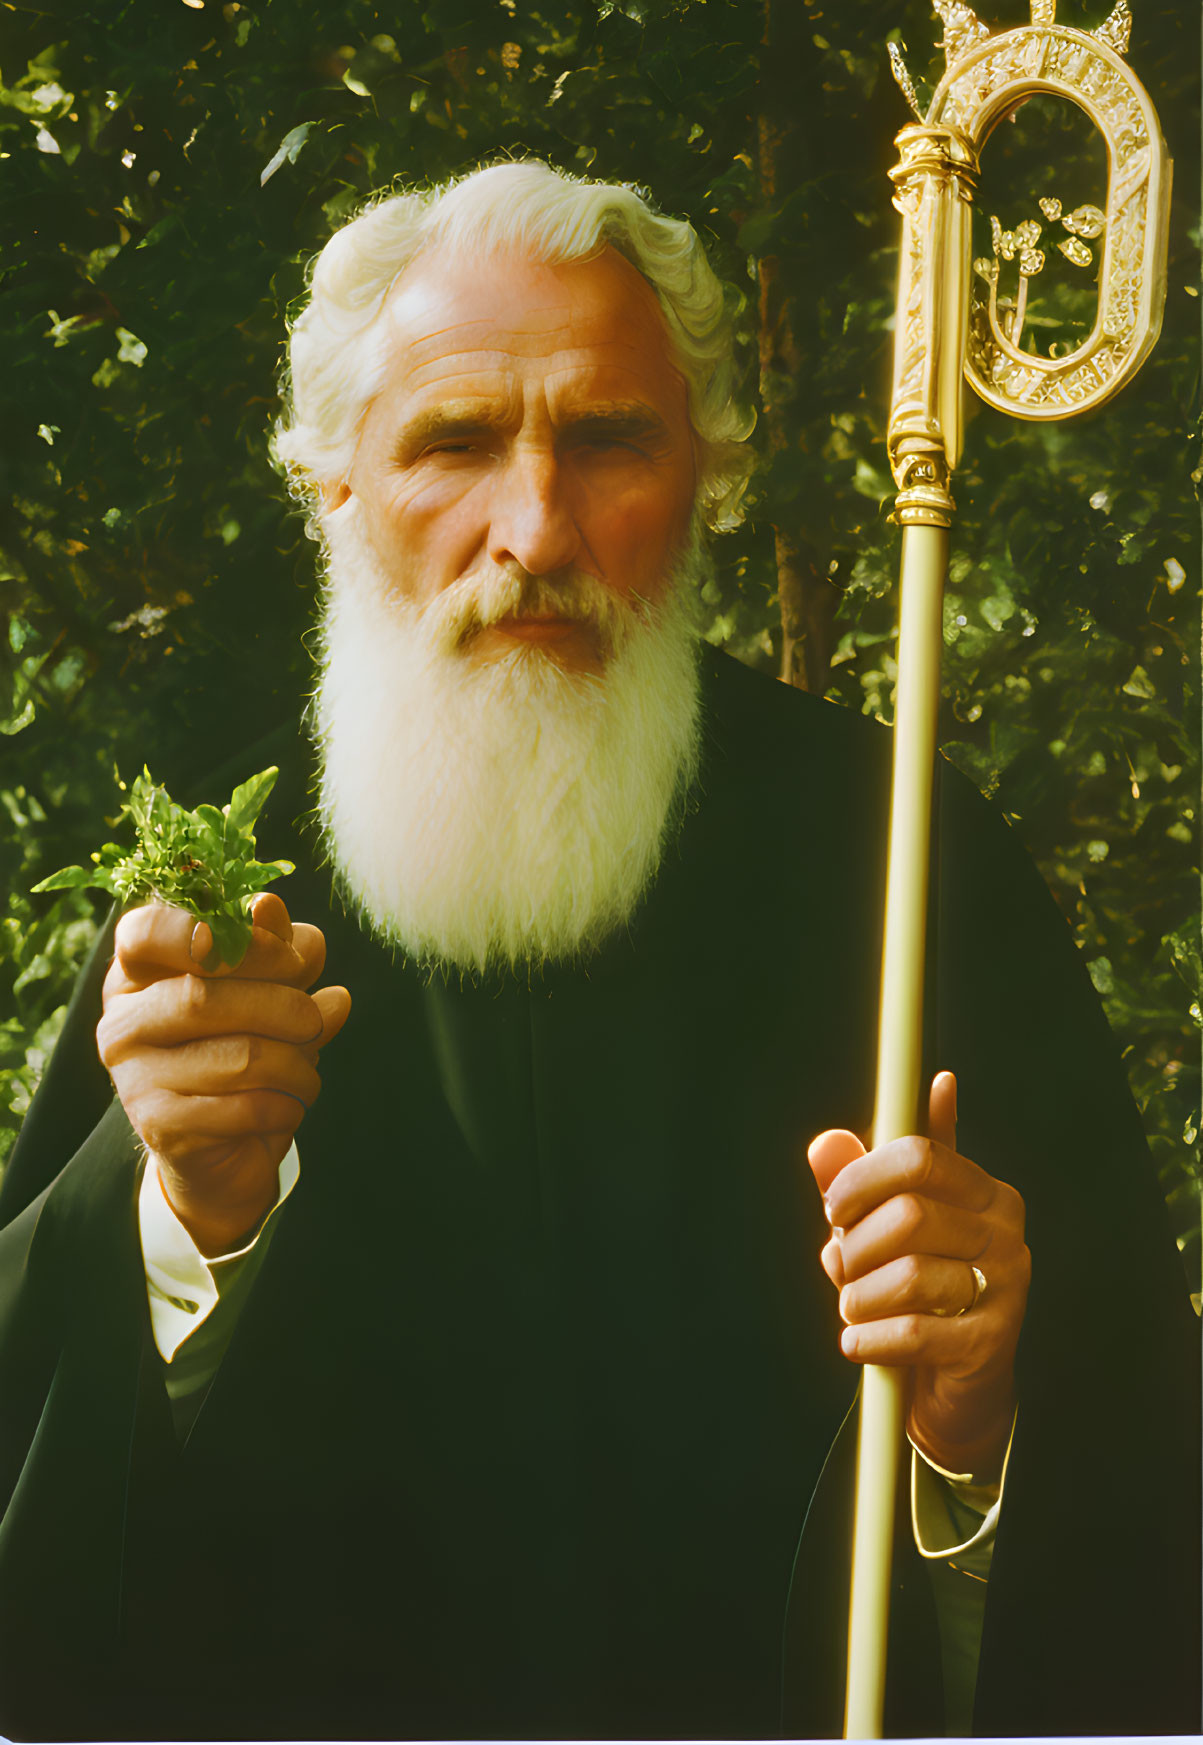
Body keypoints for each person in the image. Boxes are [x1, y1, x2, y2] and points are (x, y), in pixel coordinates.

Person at [0, 161, 1196, 1741]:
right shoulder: (220, 900)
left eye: (609, 438)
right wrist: (183, 1222)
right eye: (456, 441)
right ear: (334, 485)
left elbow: (1133, 1535)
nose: (535, 526)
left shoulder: (903, 857)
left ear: (702, 476)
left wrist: (978, 1416)